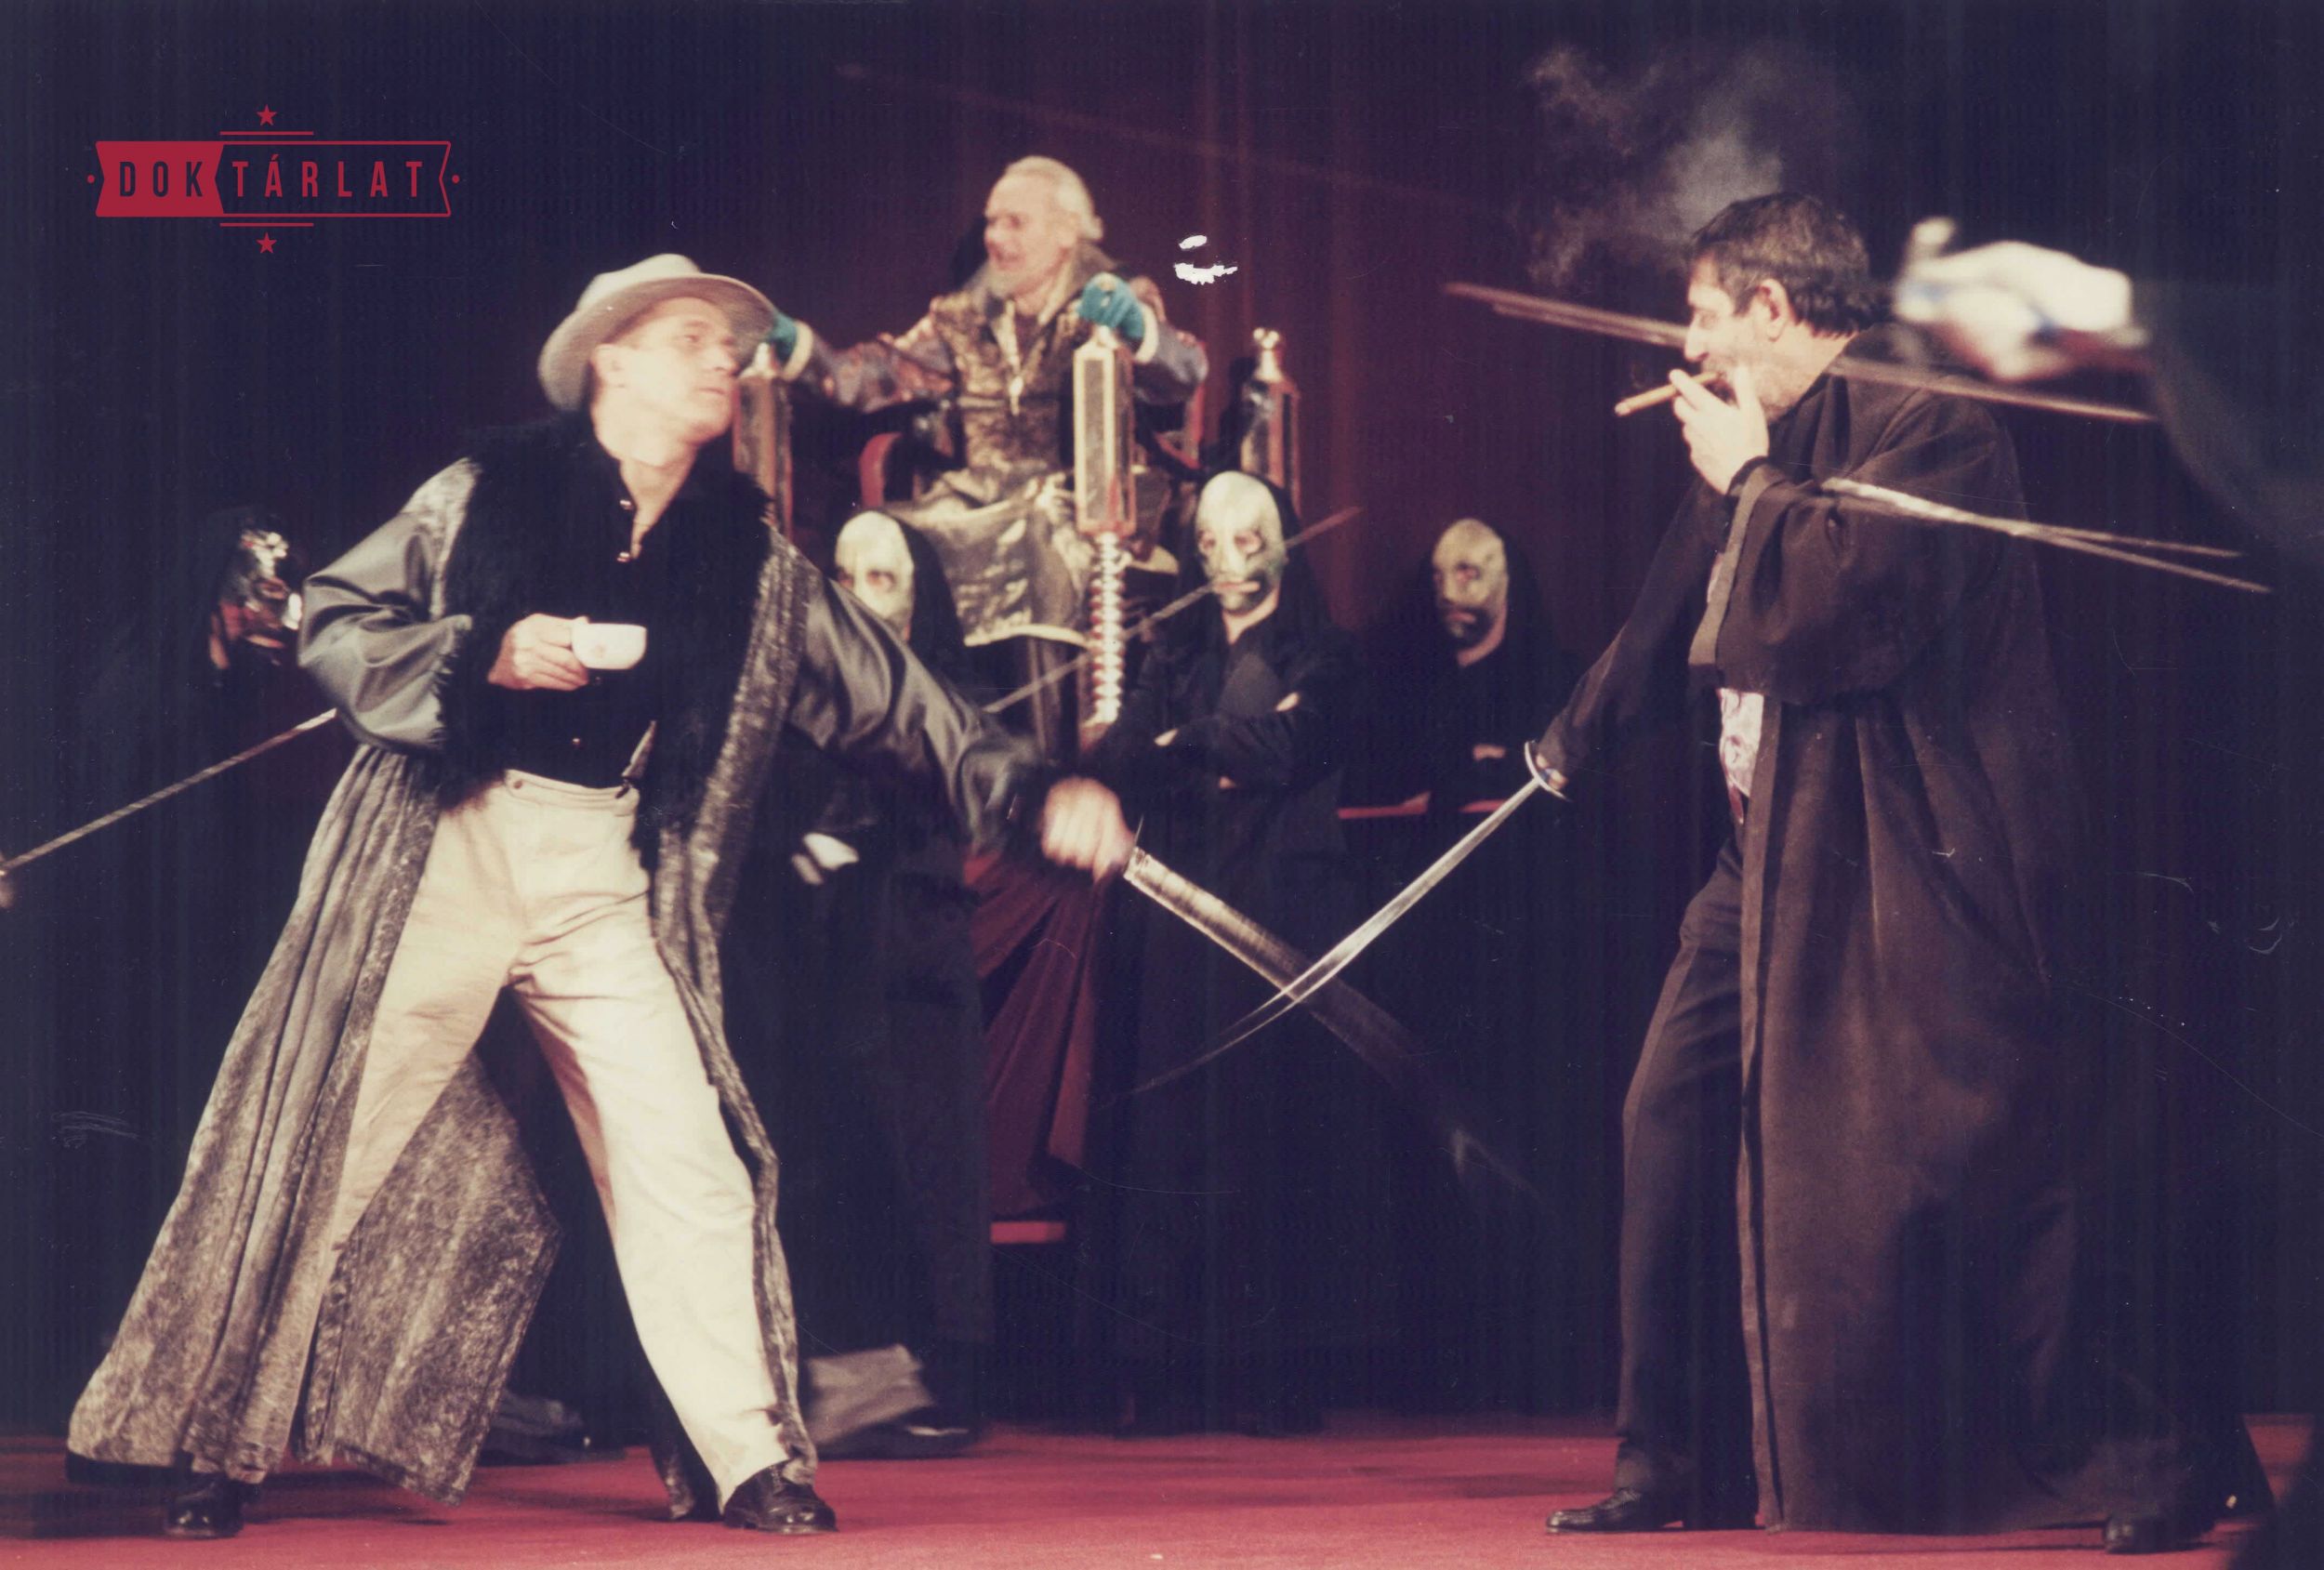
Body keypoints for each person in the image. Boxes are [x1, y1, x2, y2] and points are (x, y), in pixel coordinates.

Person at [63, 253, 1133, 1542]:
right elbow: (335, 617)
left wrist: (1028, 794)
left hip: (603, 873)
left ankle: (750, 1458)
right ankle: (213, 1441)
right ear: (609, 362)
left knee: (686, 1158)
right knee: (334, 1141)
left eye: (729, 344)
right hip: (448, 846)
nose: (721, 360)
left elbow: (892, 698)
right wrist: (480, 652)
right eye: (690, 338)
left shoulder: (747, 561)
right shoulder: (482, 497)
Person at [1534, 194, 2212, 1545]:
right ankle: (1672, 1461)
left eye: (1705, 314)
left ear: (1774, 309)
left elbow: (1836, 611)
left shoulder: (1934, 423)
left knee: (1982, 1153)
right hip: (1764, 854)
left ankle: (2141, 1463)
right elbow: (1676, 606)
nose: (1687, 346)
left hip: (1916, 851)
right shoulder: (1760, 444)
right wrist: (1572, 737)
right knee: (1668, 1118)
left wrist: (1748, 483)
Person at [1079, 470, 1393, 1434]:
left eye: (1246, 538)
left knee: (1273, 1136)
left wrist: (1193, 741)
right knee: (1170, 1134)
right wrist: (1209, 745)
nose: (1227, 559)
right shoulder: (1170, 652)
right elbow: (1119, 756)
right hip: (1183, 922)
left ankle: (1275, 1367)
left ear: (1279, 542)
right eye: (1210, 541)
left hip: (1281, 917)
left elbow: (1288, 748)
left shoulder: (1326, 653)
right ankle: (1160, 1366)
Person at [761, 155, 1209, 759]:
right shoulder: (963, 312)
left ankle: (1051, 766)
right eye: (992, 222)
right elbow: (876, 376)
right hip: (976, 496)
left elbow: (1184, 371)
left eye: (1015, 222)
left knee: (1039, 537)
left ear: (1066, 232)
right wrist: (799, 347)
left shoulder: (1117, 294)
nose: (995, 237)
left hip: (1084, 495)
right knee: (883, 540)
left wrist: (1136, 329)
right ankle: (901, 751)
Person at [728, 512, 997, 1458]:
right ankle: (857, 1381)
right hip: (821, 967)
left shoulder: (947, 698)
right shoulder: (800, 705)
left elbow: (942, 793)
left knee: (929, 1166)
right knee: (837, 1165)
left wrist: (854, 828)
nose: (854, 596)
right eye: (841, 576)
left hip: (911, 954)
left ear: (918, 599)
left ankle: (943, 1378)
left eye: (879, 578)